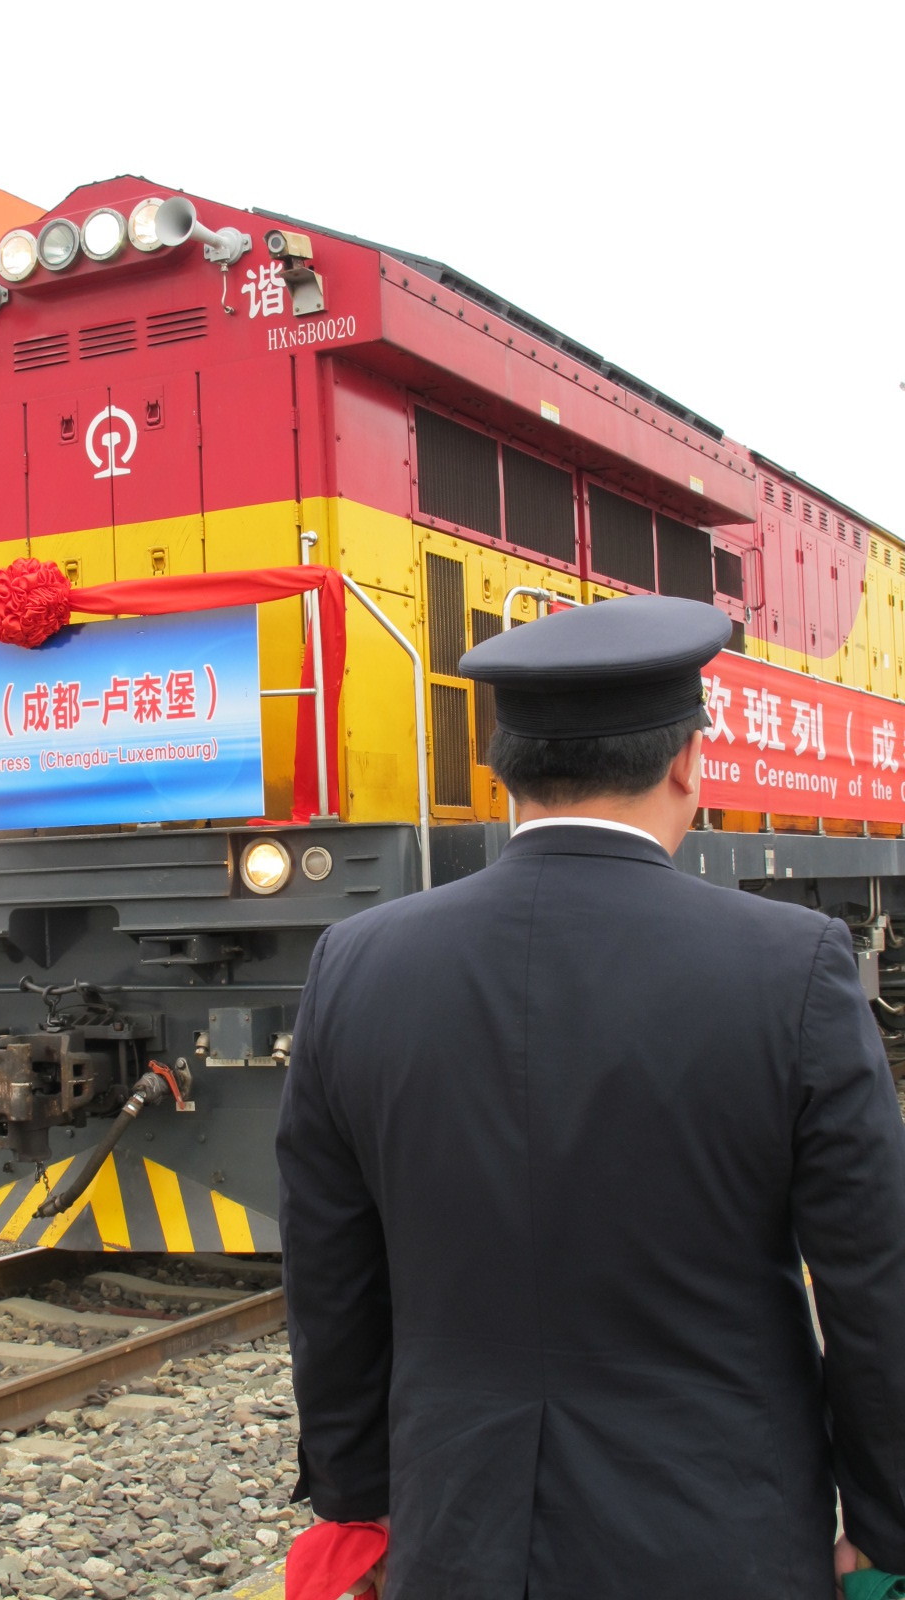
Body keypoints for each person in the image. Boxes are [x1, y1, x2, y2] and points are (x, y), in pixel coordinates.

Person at [276, 594, 905, 1600]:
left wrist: (361, 1502)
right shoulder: (794, 967)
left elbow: (329, 1271)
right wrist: (886, 1525)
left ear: (505, 768)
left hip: (457, 1536)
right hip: (722, 1542)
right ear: (687, 762)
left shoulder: (356, 962)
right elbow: (874, 1283)